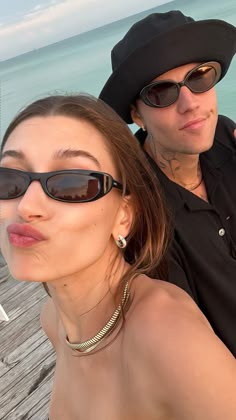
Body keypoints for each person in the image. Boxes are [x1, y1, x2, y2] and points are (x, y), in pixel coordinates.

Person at [1, 94, 236, 419]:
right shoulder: (54, 321)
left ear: (123, 216)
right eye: (9, 178)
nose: (26, 207)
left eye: (72, 184)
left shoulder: (167, 336)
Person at [99, 10, 236, 356]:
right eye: (161, 92)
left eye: (199, 77)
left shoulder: (226, 138)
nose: (191, 103)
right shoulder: (138, 215)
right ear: (135, 114)